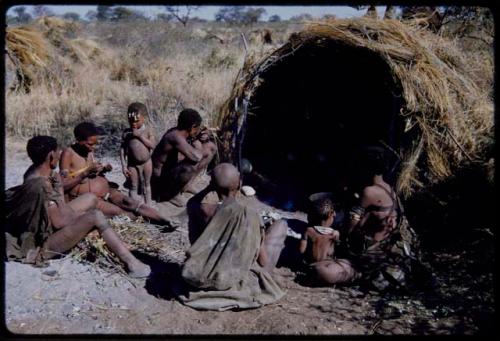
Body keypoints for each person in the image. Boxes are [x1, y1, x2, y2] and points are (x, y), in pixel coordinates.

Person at [5, 136, 151, 278]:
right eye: (57, 153)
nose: (59, 156)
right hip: (44, 242)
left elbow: (58, 205)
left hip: (54, 218)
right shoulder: (41, 186)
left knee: (90, 198)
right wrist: (83, 218)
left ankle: (122, 216)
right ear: (51, 156)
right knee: (95, 216)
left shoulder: (35, 171)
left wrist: (62, 188)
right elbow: (59, 223)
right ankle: (132, 263)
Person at [177, 163, 286, 311]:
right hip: (229, 279)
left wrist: (213, 186)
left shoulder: (196, 207)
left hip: (198, 275)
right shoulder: (249, 215)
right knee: (280, 225)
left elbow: (195, 242)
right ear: (240, 183)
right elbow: (262, 260)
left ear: (211, 184)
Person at [313, 146, 422, 291]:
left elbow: (351, 224)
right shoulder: (390, 189)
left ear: (366, 167)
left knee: (321, 269)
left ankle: (367, 276)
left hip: (369, 258)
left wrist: (338, 234)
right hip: (384, 253)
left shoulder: (369, 192)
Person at [59, 122, 171, 225]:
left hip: (107, 191)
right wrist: (85, 173)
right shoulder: (68, 154)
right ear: (78, 140)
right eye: (89, 144)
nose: (93, 148)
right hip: (91, 200)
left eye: (95, 144)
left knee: (130, 202)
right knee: (121, 213)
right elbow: (63, 185)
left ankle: (165, 220)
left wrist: (102, 169)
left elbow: (90, 170)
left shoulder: (88, 151)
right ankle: (151, 222)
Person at [151, 109, 217, 206]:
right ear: (192, 127)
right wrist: (197, 142)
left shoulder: (181, 132)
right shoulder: (175, 136)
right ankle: (170, 195)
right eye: (197, 128)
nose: (198, 130)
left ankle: (186, 185)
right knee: (189, 167)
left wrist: (203, 135)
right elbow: (196, 157)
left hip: (168, 170)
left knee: (211, 148)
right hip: (159, 180)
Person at [120, 102, 155, 205]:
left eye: (136, 121)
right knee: (133, 186)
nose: (133, 124)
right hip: (132, 164)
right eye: (130, 120)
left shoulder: (148, 130)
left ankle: (148, 206)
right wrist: (123, 165)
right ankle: (135, 207)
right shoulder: (126, 133)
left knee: (147, 184)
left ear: (144, 118)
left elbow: (152, 145)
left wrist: (140, 136)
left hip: (147, 162)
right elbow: (122, 149)